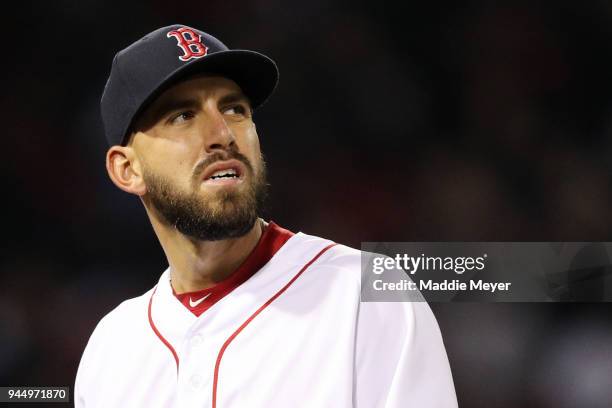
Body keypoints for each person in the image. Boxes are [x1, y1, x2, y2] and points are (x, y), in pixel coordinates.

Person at [74, 24, 458, 408]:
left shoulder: (362, 296)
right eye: (182, 115)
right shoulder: (112, 350)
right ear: (128, 170)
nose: (222, 133)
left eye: (234, 108)